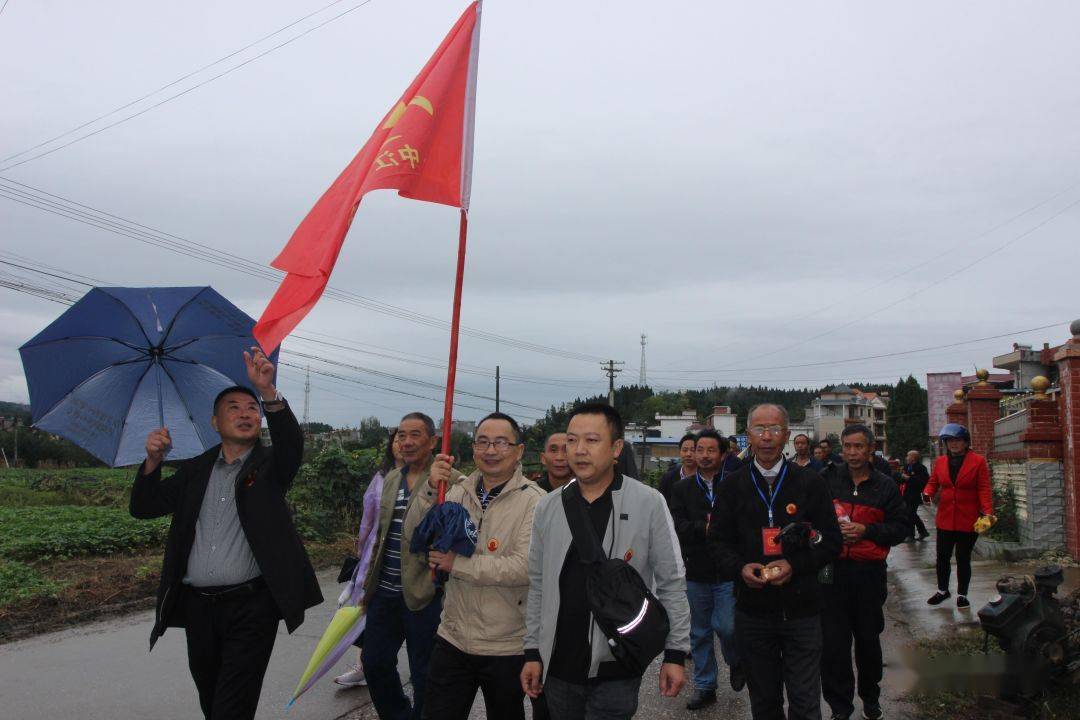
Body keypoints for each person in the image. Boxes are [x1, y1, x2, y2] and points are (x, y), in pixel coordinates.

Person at [130, 348, 322, 720]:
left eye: (251, 408)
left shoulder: (270, 467)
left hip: (251, 608)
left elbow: (291, 446)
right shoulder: (194, 470)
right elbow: (145, 506)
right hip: (197, 607)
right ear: (215, 423)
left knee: (231, 706)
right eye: (233, 407)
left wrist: (266, 391)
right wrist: (153, 462)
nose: (245, 413)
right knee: (211, 697)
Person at [521, 403, 690, 720]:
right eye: (572, 441)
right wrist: (533, 651)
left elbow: (672, 582)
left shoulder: (648, 502)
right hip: (558, 667)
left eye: (591, 440)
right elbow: (539, 585)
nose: (579, 451)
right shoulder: (548, 507)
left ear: (615, 448)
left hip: (618, 666)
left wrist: (675, 653)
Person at [708, 403, 842, 720]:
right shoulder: (732, 485)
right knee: (765, 703)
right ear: (747, 436)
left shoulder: (810, 482)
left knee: (806, 701)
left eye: (774, 429)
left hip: (803, 611)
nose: (766, 436)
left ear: (786, 436)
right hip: (752, 612)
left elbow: (832, 541)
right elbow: (717, 542)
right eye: (759, 429)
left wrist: (795, 565)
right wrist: (740, 568)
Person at [415, 412, 544, 720]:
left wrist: (457, 563)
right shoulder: (456, 492)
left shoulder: (536, 502)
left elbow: (523, 568)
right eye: (483, 442)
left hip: (507, 645)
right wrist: (431, 488)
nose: (490, 450)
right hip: (453, 637)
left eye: (501, 443)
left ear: (519, 450)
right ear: (472, 448)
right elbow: (416, 535)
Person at [357, 412, 461, 720]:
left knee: (424, 672)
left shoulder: (450, 481)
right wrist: (367, 586)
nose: (406, 441)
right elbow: (380, 534)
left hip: (424, 594)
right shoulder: (391, 479)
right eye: (401, 435)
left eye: (415, 435)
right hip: (384, 593)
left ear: (432, 442)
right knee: (374, 663)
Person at [819, 425, 909, 720]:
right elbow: (811, 520)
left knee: (868, 641)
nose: (853, 452)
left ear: (870, 449)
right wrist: (830, 534)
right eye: (847, 446)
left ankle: (870, 698)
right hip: (831, 573)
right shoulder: (827, 480)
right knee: (834, 645)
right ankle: (839, 707)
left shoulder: (885, 486)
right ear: (841, 448)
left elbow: (901, 529)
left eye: (859, 446)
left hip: (868, 574)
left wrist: (866, 531)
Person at [668, 429, 743, 710]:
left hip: (728, 570)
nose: (704, 455)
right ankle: (705, 685)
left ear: (723, 455)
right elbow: (677, 526)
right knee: (699, 633)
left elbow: (745, 524)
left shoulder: (736, 484)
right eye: (700, 450)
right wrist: (704, 528)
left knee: (727, 626)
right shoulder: (682, 489)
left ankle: (737, 661)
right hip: (696, 570)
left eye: (711, 450)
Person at [335, 428, 405, 688]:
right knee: (366, 605)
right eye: (398, 439)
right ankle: (364, 665)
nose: (403, 444)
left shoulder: (427, 479)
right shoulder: (380, 477)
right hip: (375, 553)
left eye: (410, 438)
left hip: (407, 558)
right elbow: (368, 515)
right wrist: (362, 546)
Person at [923, 424, 992, 609]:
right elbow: (933, 482)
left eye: (957, 440)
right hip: (945, 517)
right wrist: (927, 493)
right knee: (942, 556)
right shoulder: (941, 462)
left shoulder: (977, 461)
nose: (954, 444)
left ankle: (962, 594)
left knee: (963, 557)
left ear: (965, 442)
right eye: (950, 441)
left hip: (968, 518)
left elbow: (984, 488)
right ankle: (942, 590)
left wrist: (987, 512)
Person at [900, 451, 930, 541]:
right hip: (905, 494)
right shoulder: (906, 467)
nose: (906, 458)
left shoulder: (920, 468)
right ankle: (922, 532)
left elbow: (923, 481)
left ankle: (911, 535)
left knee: (911, 514)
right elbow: (902, 479)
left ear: (913, 458)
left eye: (908, 456)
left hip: (914, 495)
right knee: (910, 514)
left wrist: (909, 478)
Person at [659, 433, 698, 502]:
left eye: (693, 450)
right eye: (685, 450)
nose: (688, 454)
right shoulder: (667, 478)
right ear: (680, 452)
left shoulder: (707, 477)